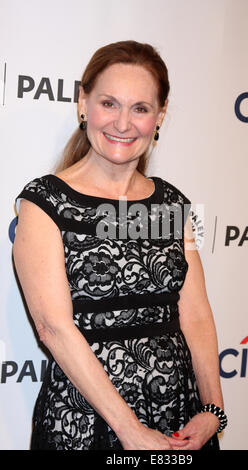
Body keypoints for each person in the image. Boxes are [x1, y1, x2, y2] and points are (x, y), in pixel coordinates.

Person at [12, 40, 226, 451]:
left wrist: (212, 411)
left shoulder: (172, 204)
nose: (123, 124)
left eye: (140, 108)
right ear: (83, 103)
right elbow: (53, 328)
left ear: (159, 116)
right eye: (109, 103)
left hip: (178, 421)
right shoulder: (45, 202)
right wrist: (131, 432)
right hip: (86, 423)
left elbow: (196, 314)